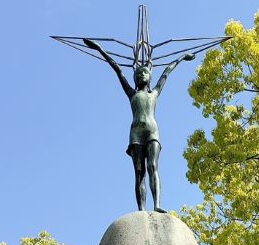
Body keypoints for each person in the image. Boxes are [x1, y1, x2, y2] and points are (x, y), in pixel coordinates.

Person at [83, 38, 195, 213]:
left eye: (145, 73)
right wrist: (99, 49)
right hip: (136, 133)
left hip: (152, 131)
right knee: (139, 172)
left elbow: (166, 72)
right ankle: (141, 209)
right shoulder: (131, 93)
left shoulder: (154, 93)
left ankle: (157, 204)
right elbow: (117, 69)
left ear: (150, 77)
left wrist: (181, 58)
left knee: (153, 167)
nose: (141, 74)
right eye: (138, 73)